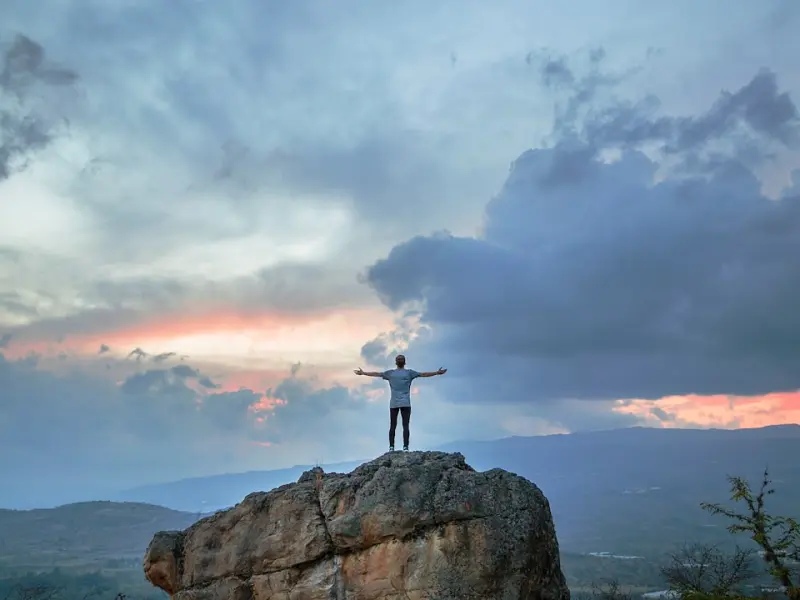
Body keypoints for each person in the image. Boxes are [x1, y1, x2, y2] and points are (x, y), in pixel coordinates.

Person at [354, 354, 447, 452]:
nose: (400, 360)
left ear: (396, 362)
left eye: (400, 359)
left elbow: (377, 374)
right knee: (405, 425)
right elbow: (423, 374)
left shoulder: (392, 373)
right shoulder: (409, 373)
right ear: (404, 362)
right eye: (400, 359)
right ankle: (405, 447)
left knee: (393, 425)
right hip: (405, 403)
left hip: (394, 403)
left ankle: (391, 447)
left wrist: (363, 373)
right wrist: (436, 373)